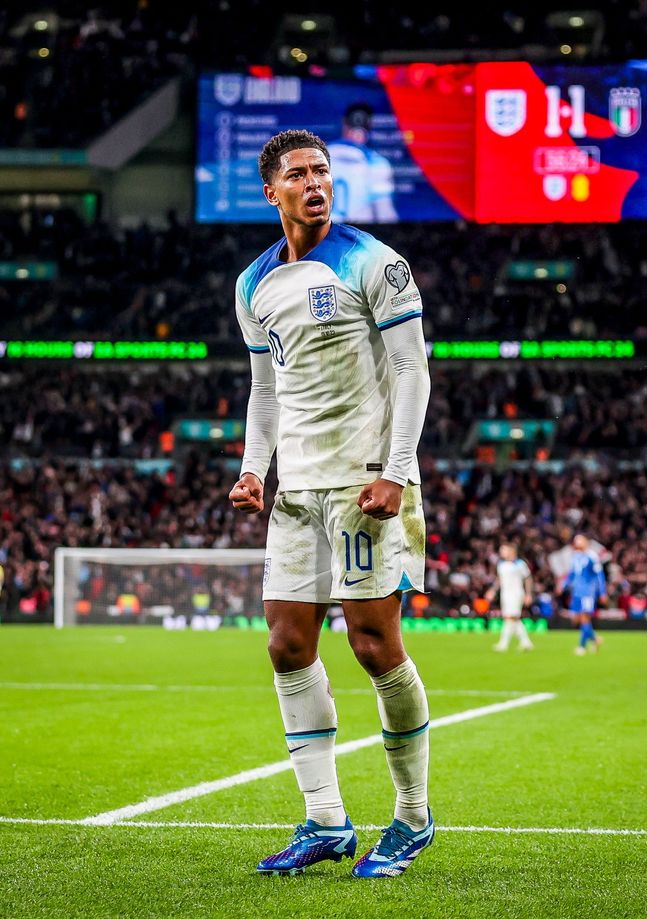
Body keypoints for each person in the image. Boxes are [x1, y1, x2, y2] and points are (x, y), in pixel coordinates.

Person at [228, 129, 433, 879]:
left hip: (363, 485)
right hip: (297, 491)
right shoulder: (254, 284)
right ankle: (326, 821)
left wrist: (396, 473)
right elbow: (265, 387)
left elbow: (413, 372)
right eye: (299, 174)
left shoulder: (374, 262)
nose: (315, 183)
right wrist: (255, 470)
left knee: (375, 646)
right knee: (286, 644)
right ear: (270, 191)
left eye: (323, 172)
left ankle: (412, 816)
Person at [327, 102, 399, 224]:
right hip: (359, 237)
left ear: (344, 124)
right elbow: (385, 215)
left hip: (324, 237)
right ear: (370, 126)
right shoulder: (377, 163)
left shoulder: (318, 158)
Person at [559, 534, 607, 655]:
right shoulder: (575, 556)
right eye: (576, 540)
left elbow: (599, 575)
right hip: (576, 592)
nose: (577, 542)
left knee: (585, 618)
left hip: (588, 592)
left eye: (580, 540)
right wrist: (564, 584)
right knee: (576, 619)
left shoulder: (592, 556)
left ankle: (582, 647)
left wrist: (602, 592)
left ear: (586, 542)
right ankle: (595, 639)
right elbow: (572, 573)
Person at [488, 542, 534, 652]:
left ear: (511, 551)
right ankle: (526, 642)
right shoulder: (501, 564)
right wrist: (493, 590)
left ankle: (503, 644)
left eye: (503, 550)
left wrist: (528, 594)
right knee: (514, 618)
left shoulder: (520, 564)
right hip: (505, 593)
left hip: (516, 593)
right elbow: (499, 579)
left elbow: (528, 579)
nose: (501, 552)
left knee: (509, 618)